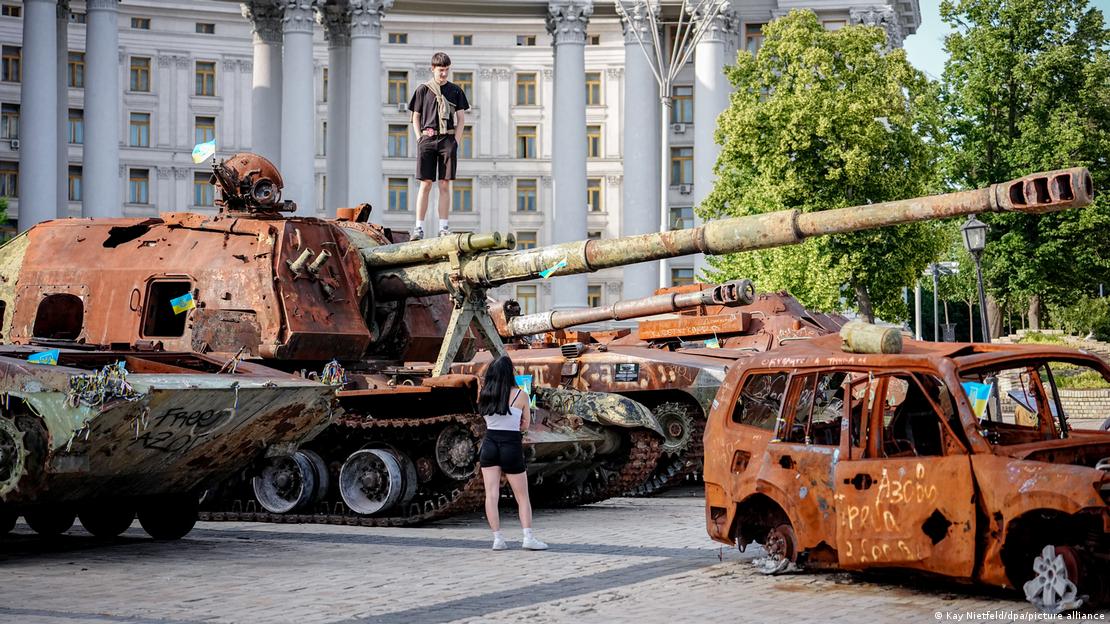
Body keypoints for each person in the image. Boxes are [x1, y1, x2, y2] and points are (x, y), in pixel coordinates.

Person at [477, 355, 548, 551]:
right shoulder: (520, 395)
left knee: (491, 495)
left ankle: (497, 539)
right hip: (511, 445)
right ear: (510, 373)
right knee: (522, 496)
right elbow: (525, 425)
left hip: (490, 444)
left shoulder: (484, 394)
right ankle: (528, 538)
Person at [407, 52, 469, 241]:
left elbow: (461, 119)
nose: (444, 74)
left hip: (447, 140)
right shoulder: (423, 90)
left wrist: (455, 141)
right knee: (425, 183)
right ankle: (419, 228)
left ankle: (443, 227)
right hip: (427, 139)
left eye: (447, 70)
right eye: (441, 70)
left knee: (444, 184)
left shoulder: (455, 90)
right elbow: (415, 116)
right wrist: (419, 138)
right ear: (432, 69)